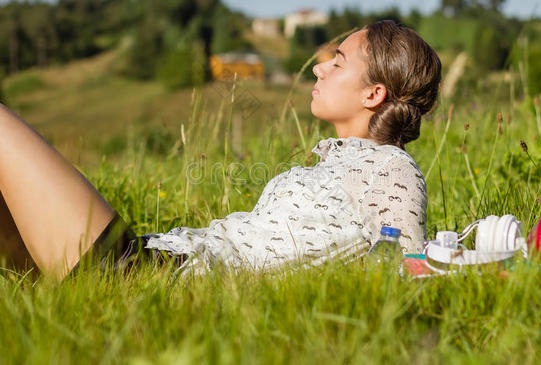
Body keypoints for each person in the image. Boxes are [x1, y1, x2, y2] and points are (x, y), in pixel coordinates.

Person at [0, 20, 441, 280]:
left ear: (373, 94)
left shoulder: (389, 166)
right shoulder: (340, 165)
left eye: (339, 62)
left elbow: (409, 264)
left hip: (142, 275)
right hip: (159, 260)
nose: (321, 67)